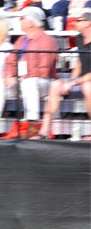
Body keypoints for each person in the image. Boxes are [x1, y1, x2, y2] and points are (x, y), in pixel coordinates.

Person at [0, 6, 58, 139]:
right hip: (23, 80)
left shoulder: (46, 40)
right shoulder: (21, 40)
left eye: (22, 18)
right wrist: (9, 75)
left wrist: (19, 77)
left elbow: (43, 69)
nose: (20, 21)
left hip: (43, 83)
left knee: (30, 82)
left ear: (31, 22)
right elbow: (10, 61)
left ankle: (32, 124)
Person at [34, 8, 91, 140]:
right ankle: (45, 130)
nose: (75, 23)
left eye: (79, 20)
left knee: (88, 86)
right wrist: (70, 82)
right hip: (81, 80)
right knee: (56, 85)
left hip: (87, 82)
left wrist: (74, 82)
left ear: (88, 23)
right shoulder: (80, 38)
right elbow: (79, 62)